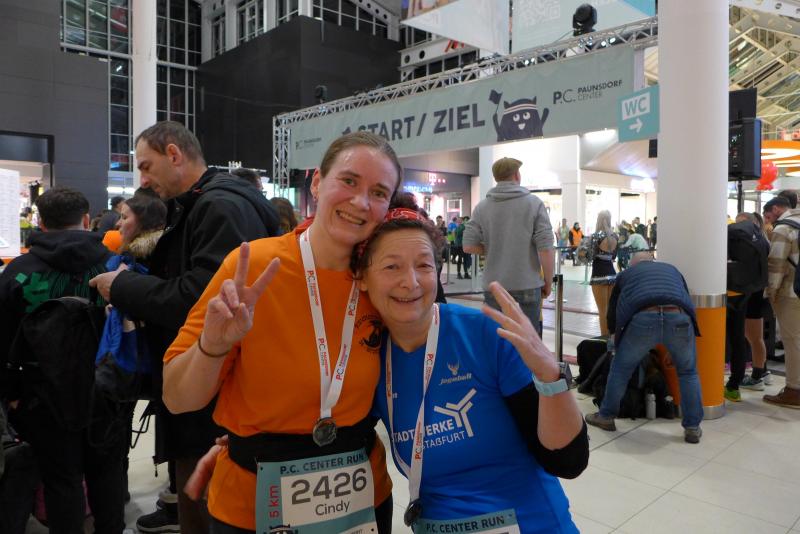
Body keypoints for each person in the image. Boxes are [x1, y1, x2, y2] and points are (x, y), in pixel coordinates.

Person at [161, 131, 401, 533]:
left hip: (360, 500)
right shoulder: (254, 266)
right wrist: (212, 346)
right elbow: (177, 398)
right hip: (252, 504)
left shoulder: (383, 280)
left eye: (379, 192)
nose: (361, 202)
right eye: (349, 181)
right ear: (318, 182)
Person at [89, 121, 282, 534]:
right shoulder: (204, 204)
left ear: (174, 154)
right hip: (205, 386)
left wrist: (122, 286)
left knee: (209, 505)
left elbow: (204, 298)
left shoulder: (219, 207)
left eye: (146, 166)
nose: (143, 180)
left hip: (213, 394)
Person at [353, 199, 588, 532]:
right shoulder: (369, 359)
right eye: (392, 267)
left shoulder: (483, 334)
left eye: (424, 265)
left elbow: (568, 461)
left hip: (530, 522)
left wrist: (550, 375)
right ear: (362, 277)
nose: (411, 282)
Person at [0, 187, 129, 532]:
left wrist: (11, 393)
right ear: (86, 220)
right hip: (108, 388)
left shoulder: (18, 272)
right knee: (108, 473)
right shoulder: (116, 265)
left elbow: (3, 339)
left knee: (60, 478)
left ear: (41, 222)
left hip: (42, 393)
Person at [585, 252, 704, 443]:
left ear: (633, 264)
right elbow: (684, 297)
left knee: (621, 369)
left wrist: (615, 338)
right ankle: (692, 428)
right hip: (679, 317)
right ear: (652, 261)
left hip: (643, 317)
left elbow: (613, 310)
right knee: (688, 373)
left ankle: (606, 416)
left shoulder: (626, 274)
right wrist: (675, 348)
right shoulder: (672, 270)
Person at [464, 157, 554, 335]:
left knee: (496, 341)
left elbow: (468, 246)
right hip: (528, 285)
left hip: (494, 287)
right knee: (528, 343)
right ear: (516, 175)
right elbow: (545, 247)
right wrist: (548, 282)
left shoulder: (482, 207)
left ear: (496, 178)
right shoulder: (534, 203)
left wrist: (492, 248)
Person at [724, 212, 770, 402]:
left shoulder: (730, 234)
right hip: (750, 292)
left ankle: (721, 382)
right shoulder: (762, 240)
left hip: (729, 292)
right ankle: (739, 383)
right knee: (744, 339)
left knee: (733, 339)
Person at [762, 196, 800, 408]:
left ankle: (794, 391)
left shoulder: (783, 229)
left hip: (791, 293)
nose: (768, 221)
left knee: (792, 341)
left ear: (776, 208)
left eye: (768, 216)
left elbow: (776, 265)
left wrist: (771, 293)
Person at [737, 212, 775, 390]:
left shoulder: (752, 244)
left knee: (753, 337)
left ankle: (757, 377)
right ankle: (763, 371)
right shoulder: (762, 241)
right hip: (758, 293)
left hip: (752, 294)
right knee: (754, 337)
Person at [590, 210, 618, 336]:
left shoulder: (596, 236)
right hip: (612, 274)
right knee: (610, 310)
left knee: (602, 311)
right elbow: (614, 256)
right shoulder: (615, 236)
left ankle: (604, 340)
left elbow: (590, 255)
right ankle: (611, 337)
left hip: (598, 274)